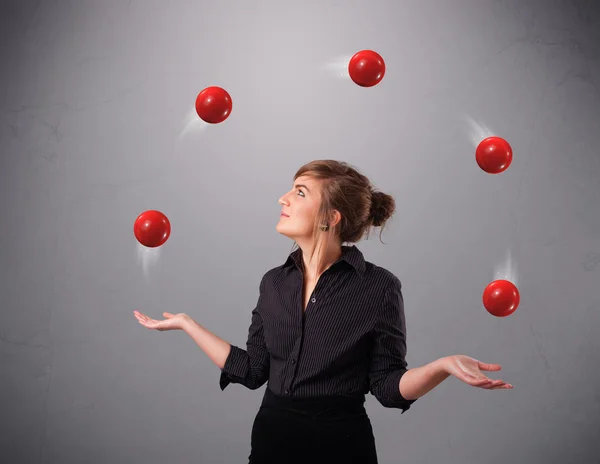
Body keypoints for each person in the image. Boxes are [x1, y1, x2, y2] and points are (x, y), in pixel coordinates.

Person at [134, 160, 513, 463]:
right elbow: (253, 371)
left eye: (299, 192)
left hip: (341, 443)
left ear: (330, 218)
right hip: (272, 438)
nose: (283, 198)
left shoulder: (379, 287)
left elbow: (386, 386)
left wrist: (441, 367)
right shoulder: (273, 283)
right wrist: (187, 324)